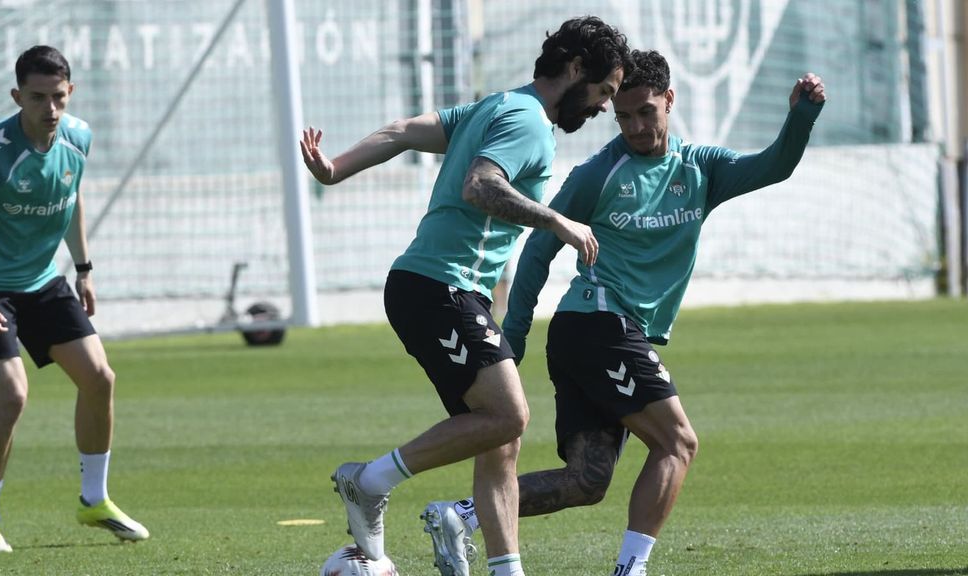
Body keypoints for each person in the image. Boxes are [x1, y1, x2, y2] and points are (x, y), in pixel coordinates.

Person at [424, 50, 826, 576]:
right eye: (625, 116)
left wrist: (800, 117)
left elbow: (775, 165)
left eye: (647, 113)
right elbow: (539, 250)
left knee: (586, 482)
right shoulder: (598, 173)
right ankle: (630, 572)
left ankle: (461, 515)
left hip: (602, 335)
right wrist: (514, 335)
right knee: (678, 442)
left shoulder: (700, 168)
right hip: (596, 326)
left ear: (669, 102)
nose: (636, 126)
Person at [300, 17, 631, 576]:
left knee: (499, 443)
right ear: (576, 70)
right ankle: (370, 480)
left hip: (443, 289)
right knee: (510, 416)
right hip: (441, 287)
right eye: (604, 92)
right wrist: (558, 222)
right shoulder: (528, 122)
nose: (602, 107)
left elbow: (404, 130)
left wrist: (336, 170)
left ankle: (506, 569)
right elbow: (479, 185)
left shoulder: (496, 106)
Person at [0, 45, 149, 552]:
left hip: (43, 281)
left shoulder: (78, 138)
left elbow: (72, 195)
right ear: (17, 96)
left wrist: (83, 268)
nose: (49, 108)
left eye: (57, 96)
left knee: (100, 377)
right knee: (11, 397)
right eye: (37, 97)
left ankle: (93, 500)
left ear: (70, 93)